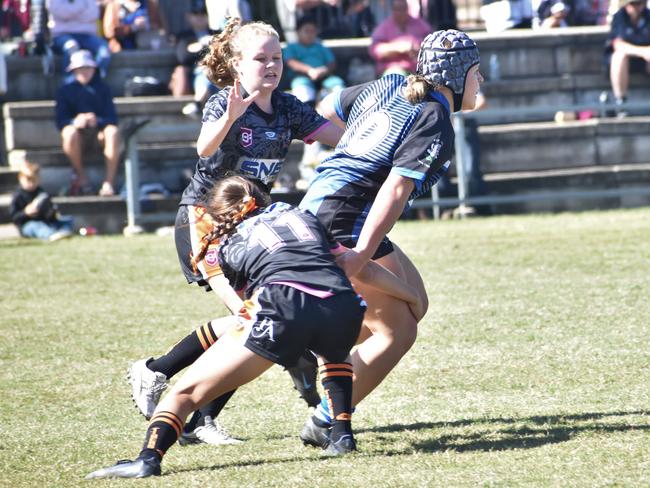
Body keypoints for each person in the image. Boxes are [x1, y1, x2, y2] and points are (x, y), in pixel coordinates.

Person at [126, 18, 345, 447]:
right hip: (206, 221)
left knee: (254, 318)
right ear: (238, 65)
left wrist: (378, 129)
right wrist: (229, 119)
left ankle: (165, 378)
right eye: (260, 59)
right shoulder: (224, 102)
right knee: (252, 317)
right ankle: (182, 397)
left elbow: (337, 137)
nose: (270, 66)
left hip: (251, 230)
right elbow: (205, 147)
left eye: (276, 58)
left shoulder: (288, 107)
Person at [297, 29, 483, 447]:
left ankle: (317, 355)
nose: (481, 81)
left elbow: (328, 106)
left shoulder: (392, 82)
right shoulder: (434, 117)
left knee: (416, 298)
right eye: (476, 72)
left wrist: (357, 149)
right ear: (457, 75)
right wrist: (361, 253)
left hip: (331, 209)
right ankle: (326, 417)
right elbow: (395, 189)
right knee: (397, 331)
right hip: (343, 224)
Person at [283, 14, 345, 186]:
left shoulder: (320, 46)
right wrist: (309, 70)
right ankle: (308, 116)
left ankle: (333, 113)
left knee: (337, 85)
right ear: (298, 32)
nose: (310, 34)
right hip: (303, 77)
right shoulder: (292, 47)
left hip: (323, 78)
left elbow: (331, 63)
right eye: (306, 31)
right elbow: (291, 62)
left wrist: (323, 70)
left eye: (312, 31)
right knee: (302, 89)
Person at [55, 49, 120, 196]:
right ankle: (82, 177)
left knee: (113, 132)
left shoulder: (103, 88)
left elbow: (112, 118)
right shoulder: (64, 90)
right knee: (69, 133)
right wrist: (76, 121)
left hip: (99, 135)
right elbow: (60, 121)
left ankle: (109, 182)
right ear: (73, 70)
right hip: (77, 137)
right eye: (80, 69)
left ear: (93, 69)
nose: (84, 72)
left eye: (87, 68)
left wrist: (97, 120)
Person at [605, 0, 650, 117]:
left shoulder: (648, 16)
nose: (636, 7)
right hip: (625, 63)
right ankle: (621, 102)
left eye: (639, 3)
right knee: (619, 57)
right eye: (633, 4)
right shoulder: (620, 17)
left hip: (645, 62)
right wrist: (642, 51)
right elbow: (618, 44)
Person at [10, 161, 74, 242]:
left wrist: (52, 211)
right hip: (28, 224)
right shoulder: (18, 196)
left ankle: (63, 232)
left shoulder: (41, 193)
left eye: (34, 180)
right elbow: (15, 218)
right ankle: (51, 235)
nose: (31, 183)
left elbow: (50, 214)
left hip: (45, 221)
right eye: (28, 180)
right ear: (20, 179)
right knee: (36, 226)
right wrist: (26, 213)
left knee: (68, 220)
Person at [46, 0, 111, 77]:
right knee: (71, 47)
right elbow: (62, 13)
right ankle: (69, 84)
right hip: (62, 35)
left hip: (87, 35)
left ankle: (94, 82)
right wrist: (81, 5)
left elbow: (93, 15)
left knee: (104, 50)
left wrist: (71, 14)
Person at [368, 0, 431, 77]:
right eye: (398, 9)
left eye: (403, 9)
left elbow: (432, 43)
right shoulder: (384, 27)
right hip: (394, 69)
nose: (401, 12)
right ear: (393, 10)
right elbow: (374, 50)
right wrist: (398, 48)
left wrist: (418, 48)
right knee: (396, 78)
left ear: (407, 9)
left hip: (419, 70)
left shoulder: (421, 25)